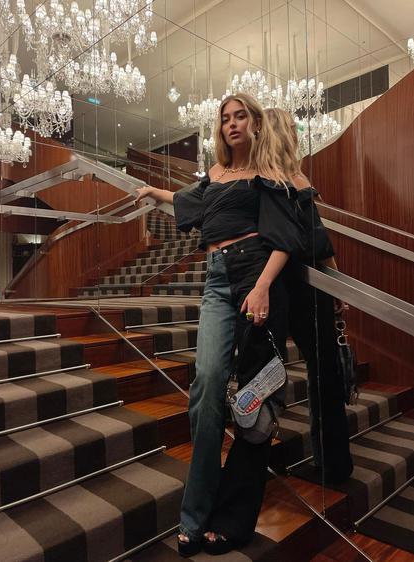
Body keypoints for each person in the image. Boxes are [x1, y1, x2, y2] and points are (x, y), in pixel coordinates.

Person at [135, 93, 306, 557]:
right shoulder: (214, 174)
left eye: (240, 116)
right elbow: (190, 201)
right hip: (215, 279)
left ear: (255, 123)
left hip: (255, 274)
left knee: (253, 396)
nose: (232, 124)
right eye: (225, 118)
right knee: (208, 382)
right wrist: (154, 192)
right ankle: (197, 511)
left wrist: (264, 286)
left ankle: (228, 515)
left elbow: (286, 237)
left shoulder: (269, 170)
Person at [262, 108, 353, 484]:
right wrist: (335, 281)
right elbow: (319, 240)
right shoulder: (293, 179)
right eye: (293, 129)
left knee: (277, 373)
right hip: (304, 287)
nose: (298, 134)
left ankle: (320, 464)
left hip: (288, 285)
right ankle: (332, 464)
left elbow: (316, 238)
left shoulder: (273, 180)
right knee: (321, 374)